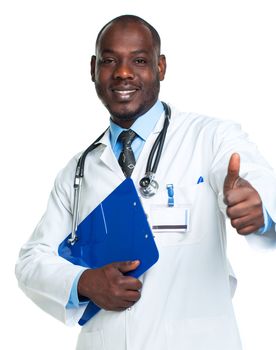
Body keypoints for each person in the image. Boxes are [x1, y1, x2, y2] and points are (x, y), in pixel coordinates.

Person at [15, 14, 276, 350]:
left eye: (139, 60)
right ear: (93, 68)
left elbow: (257, 182)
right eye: (110, 61)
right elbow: (31, 261)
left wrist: (261, 209)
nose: (123, 72)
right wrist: (83, 281)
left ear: (161, 67)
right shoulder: (77, 172)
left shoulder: (210, 137)